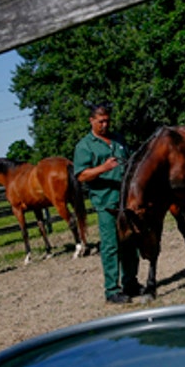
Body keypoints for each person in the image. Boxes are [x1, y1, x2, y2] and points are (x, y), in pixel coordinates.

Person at [73, 104, 141, 304]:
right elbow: (81, 175)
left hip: (126, 201)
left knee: (130, 243)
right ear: (91, 121)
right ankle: (112, 290)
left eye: (107, 120)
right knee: (111, 246)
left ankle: (131, 283)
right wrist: (103, 168)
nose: (105, 124)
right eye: (100, 121)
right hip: (106, 202)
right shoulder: (85, 146)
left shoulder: (118, 139)